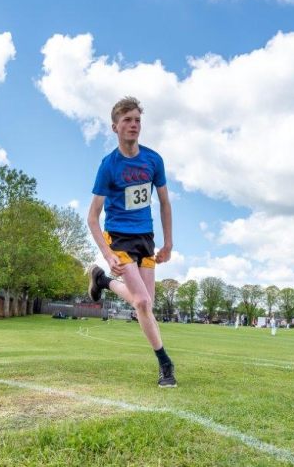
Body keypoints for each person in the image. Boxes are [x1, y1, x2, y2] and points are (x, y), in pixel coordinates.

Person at [86, 96, 176, 388]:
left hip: (146, 238)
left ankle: (102, 282)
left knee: (146, 306)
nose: (134, 125)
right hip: (119, 237)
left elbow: (164, 203)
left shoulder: (153, 160)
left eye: (137, 120)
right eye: (127, 120)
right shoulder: (109, 166)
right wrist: (108, 253)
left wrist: (168, 243)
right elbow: (92, 217)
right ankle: (165, 364)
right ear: (115, 127)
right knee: (141, 301)